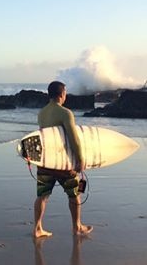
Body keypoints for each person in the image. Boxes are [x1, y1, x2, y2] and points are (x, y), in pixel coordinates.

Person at [33, 81, 93, 238]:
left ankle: (38, 228)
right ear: (62, 94)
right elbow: (73, 139)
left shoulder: (42, 113)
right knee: (74, 194)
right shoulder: (66, 113)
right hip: (63, 164)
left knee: (42, 196)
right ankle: (77, 227)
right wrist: (80, 159)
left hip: (45, 162)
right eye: (65, 92)